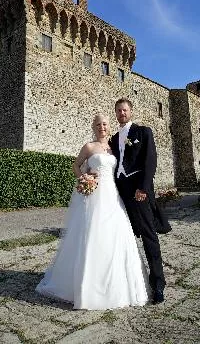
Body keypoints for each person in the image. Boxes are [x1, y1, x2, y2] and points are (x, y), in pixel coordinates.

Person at [36, 114, 149, 310]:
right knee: (92, 234)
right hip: (95, 195)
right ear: (93, 127)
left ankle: (118, 286)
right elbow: (76, 165)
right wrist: (84, 178)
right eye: (98, 124)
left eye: (104, 124)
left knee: (115, 234)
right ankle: (86, 286)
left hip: (113, 195)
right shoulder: (89, 147)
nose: (101, 127)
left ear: (109, 126)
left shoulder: (114, 148)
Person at [111, 98, 166, 304]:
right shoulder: (113, 138)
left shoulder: (143, 132)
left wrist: (143, 188)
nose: (122, 113)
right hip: (119, 192)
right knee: (121, 235)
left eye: (125, 110)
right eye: (119, 111)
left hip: (138, 191)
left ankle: (158, 284)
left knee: (148, 235)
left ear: (131, 112)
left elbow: (150, 161)